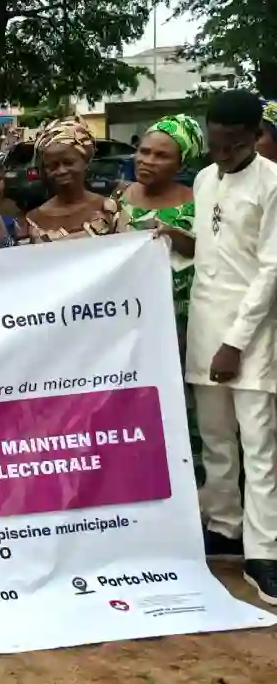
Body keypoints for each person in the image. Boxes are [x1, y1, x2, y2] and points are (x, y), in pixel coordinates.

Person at [186, 90, 277, 603]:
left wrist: (235, 344)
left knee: (259, 445)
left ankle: (265, 553)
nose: (220, 153)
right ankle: (225, 528)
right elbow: (210, 251)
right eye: (214, 142)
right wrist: (174, 242)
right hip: (205, 326)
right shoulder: (203, 180)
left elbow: (271, 270)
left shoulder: (272, 183)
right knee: (216, 440)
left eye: (232, 144)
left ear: (254, 136)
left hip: (252, 337)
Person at [117, 114, 204, 484]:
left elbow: (210, 252)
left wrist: (174, 235)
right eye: (144, 151)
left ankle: (192, 482)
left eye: (161, 155)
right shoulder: (119, 200)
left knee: (186, 404)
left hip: (185, 325)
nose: (147, 161)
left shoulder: (197, 203)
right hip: (131, 326)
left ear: (181, 163)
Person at [25, 118, 118, 241]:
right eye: (53, 166)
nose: (61, 170)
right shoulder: (34, 220)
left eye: (68, 163)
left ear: (85, 162)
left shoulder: (108, 208)